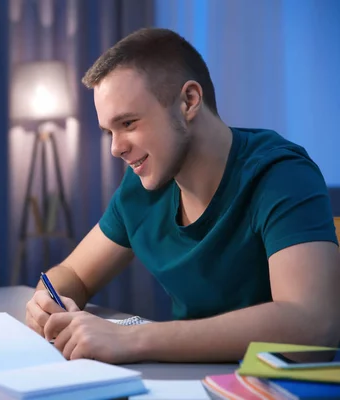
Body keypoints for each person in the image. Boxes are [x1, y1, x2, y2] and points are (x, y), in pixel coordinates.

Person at [25, 27, 340, 364]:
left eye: (128, 123)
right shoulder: (141, 189)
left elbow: (312, 322)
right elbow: (73, 274)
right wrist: (49, 301)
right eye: (109, 132)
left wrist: (133, 339)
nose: (116, 148)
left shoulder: (280, 174)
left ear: (189, 101)